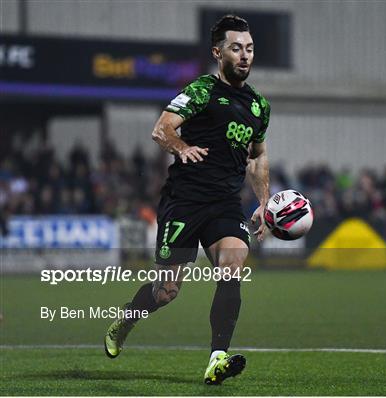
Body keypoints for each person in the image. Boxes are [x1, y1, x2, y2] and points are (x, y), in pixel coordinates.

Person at [103, 14, 270, 385]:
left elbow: (257, 155)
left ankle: (217, 358)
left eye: (249, 49)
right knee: (166, 292)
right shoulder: (201, 91)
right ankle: (127, 319)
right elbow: (161, 128)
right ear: (218, 52)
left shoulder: (259, 105)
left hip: (225, 204)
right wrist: (181, 147)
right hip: (184, 201)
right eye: (236, 48)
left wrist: (262, 200)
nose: (244, 55)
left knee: (232, 266)